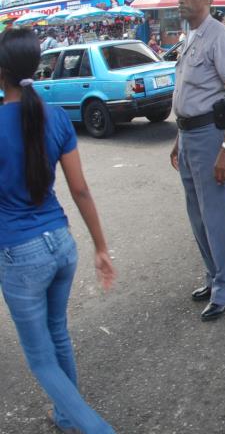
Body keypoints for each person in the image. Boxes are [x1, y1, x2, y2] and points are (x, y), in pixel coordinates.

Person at [0, 27, 117, 433]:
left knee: (40, 358)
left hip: (20, 255)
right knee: (57, 334)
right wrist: (100, 247)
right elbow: (80, 189)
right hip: (62, 245)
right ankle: (66, 417)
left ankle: (95, 428)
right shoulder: (56, 117)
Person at [168, 0, 225, 322]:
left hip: (211, 138)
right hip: (189, 137)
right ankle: (214, 277)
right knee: (198, 217)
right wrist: (178, 138)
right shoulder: (191, 36)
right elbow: (187, 93)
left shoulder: (219, 36)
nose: (182, 0)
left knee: (217, 218)